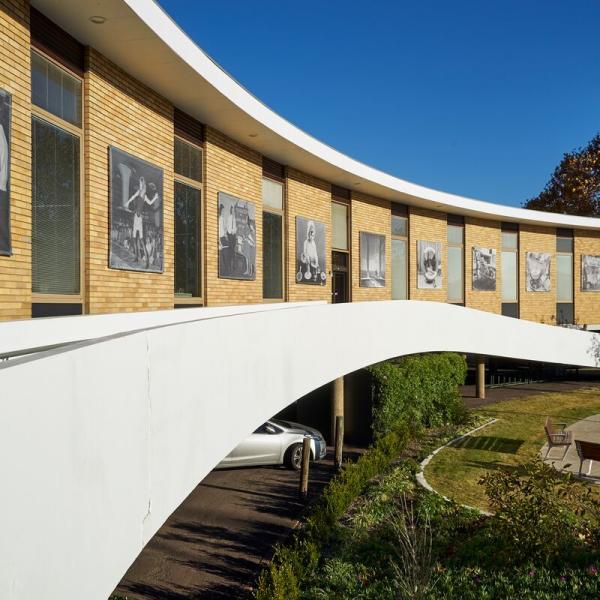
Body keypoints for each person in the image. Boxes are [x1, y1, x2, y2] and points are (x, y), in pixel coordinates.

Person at [126, 176, 158, 268]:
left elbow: (150, 203)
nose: (140, 184)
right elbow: (133, 197)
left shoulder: (143, 194)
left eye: (141, 183)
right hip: (136, 217)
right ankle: (136, 257)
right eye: (139, 183)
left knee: (141, 240)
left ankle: (147, 262)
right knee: (134, 239)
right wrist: (128, 202)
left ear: (143, 184)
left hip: (139, 219)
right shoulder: (139, 192)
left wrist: (155, 198)